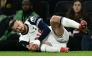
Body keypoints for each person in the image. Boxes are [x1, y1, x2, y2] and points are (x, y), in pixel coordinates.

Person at [9, 15, 88, 52]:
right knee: (39, 47)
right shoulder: (22, 40)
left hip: (57, 35)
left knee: (53, 19)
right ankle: (60, 50)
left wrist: (38, 40)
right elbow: (35, 48)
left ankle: (80, 26)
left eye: (18, 25)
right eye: (16, 29)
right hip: (51, 45)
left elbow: (46, 29)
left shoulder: (31, 20)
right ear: (16, 31)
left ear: (20, 21)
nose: (19, 28)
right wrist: (34, 47)